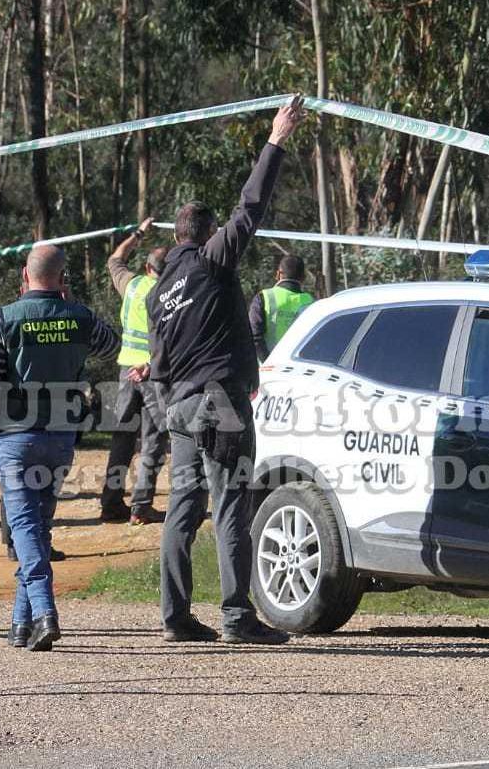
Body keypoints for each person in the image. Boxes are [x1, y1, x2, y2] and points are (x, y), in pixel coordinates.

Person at [141, 94, 306, 645]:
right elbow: (251, 206)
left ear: (173, 238)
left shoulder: (159, 290)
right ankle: (237, 618)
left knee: (182, 511)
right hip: (220, 400)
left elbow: (158, 362)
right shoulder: (214, 262)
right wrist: (276, 140)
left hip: (181, 408)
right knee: (232, 502)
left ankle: (175, 617)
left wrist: (167, 407)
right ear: (206, 234)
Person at [0, 244, 118, 652]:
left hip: (16, 436)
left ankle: (44, 611)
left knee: (24, 528)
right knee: (37, 527)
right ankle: (21, 624)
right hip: (60, 437)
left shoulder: (6, 317)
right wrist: (74, 306)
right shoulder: (80, 316)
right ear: (62, 279)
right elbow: (110, 345)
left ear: (24, 275)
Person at [99, 218, 169, 525]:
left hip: (127, 369)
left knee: (122, 438)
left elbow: (115, 259)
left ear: (146, 268)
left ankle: (112, 503)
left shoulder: (132, 284)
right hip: (152, 374)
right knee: (154, 437)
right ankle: (141, 506)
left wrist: (138, 233)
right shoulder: (169, 295)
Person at [249, 254, 316, 361]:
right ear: (303, 278)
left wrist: (268, 363)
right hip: (299, 370)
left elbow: (254, 336)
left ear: (278, 274)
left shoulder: (264, 297)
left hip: (267, 371)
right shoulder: (311, 302)